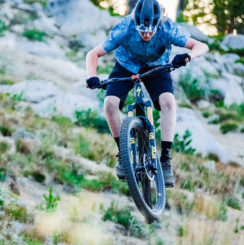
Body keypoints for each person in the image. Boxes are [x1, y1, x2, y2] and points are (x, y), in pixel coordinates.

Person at [85, 0, 209, 188]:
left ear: (159, 23)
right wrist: (92, 77)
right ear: (135, 22)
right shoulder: (124, 27)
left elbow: (201, 46)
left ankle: (165, 160)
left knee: (168, 102)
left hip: (157, 67)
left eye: (151, 30)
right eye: (142, 30)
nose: (147, 34)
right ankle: (124, 155)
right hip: (126, 66)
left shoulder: (167, 27)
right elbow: (93, 54)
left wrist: (186, 56)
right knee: (110, 103)